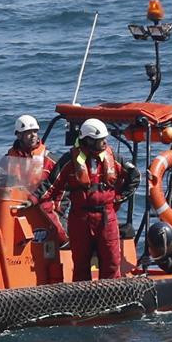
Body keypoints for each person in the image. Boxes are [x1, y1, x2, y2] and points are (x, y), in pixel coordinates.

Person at [38, 118, 140, 281]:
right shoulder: (70, 160)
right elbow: (52, 183)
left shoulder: (113, 157)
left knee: (112, 262)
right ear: (89, 140)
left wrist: (119, 197)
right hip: (80, 218)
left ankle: (111, 298)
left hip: (107, 216)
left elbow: (134, 176)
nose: (105, 142)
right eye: (100, 140)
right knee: (81, 264)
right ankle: (84, 300)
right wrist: (32, 199)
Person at [5, 114, 69, 244]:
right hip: (17, 206)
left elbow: (63, 188)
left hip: (44, 207)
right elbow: (1, 184)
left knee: (61, 234)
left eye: (35, 131)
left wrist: (57, 208)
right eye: (28, 132)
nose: (33, 135)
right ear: (18, 135)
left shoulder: (50, 160)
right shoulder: (8, 159)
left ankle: (65, 243)